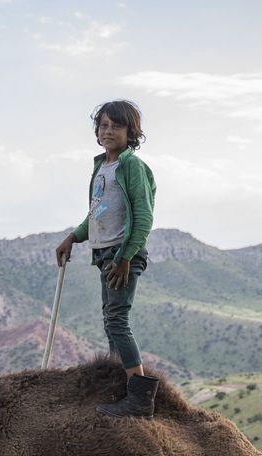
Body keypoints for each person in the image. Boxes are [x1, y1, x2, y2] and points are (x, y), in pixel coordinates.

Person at [54, 99, 158, 418]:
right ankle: (120, 383)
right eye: (103, 125)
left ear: (132, 132)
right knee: (109, 320)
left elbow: (143, 216)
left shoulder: (132, 167)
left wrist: (126, 257)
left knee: (117, 320)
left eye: (117, 125)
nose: (108, 131)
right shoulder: (102, 168)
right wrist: (73, 236)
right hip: (105, 256)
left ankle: (140, 398)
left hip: (121, 255)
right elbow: (96, 212)